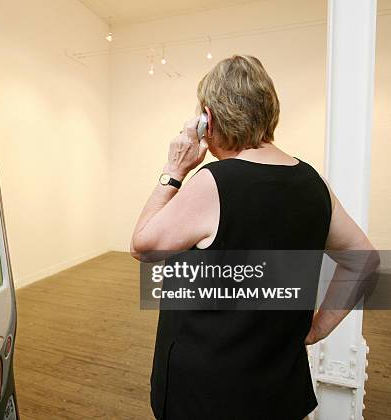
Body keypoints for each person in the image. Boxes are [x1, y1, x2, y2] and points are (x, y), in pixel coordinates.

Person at [130, 55, 376, 419]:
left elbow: (142, 246)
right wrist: (317, 329)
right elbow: (364, 259)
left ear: (208, 120)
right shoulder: (313, 183)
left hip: (207, 396)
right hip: (280, 391)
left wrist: (174, 170)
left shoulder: (213, 182)